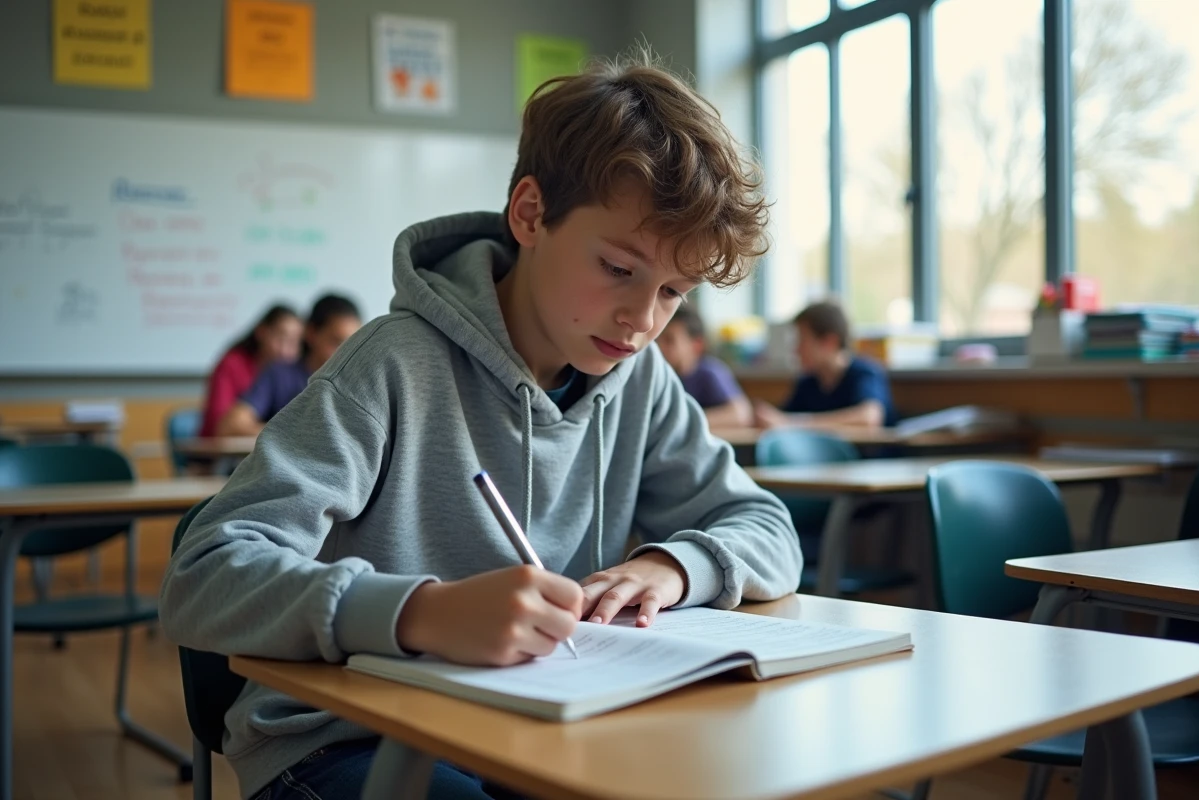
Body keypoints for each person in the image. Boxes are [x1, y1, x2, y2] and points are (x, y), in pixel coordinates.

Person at [161, 51, 801, 800]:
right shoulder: (390, 365)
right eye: (620, 269)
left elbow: (765, 525)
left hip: (530, 726)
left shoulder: (640, 379)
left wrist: (672, 567)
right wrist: (418, 613)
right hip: (343, 741)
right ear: (530, 214)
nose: (642, 320)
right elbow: (201, 576)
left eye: (673, 293)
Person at [216, 294, 362, 436]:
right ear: (311, 333)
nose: (346, 353)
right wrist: (299, 435)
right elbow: (232, 425)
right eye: (336, 342)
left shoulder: (357, 383)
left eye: (353, 345)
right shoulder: (279, 374)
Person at [754, 301, 896, 430]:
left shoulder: (865, 373)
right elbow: (784, 418)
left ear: (829, 342)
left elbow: (868, 419)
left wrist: (795, 423)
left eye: (803, 340)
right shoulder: (808, 383)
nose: (796, 350)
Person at [199, 304, 302, 437]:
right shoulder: (233, 365)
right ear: (261, 332)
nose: (284, 350)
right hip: (222, 450)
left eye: (293, 342)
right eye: (280, 338)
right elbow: (221, 425)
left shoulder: (292, 374)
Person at [657, 305, 752, 427]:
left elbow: (741, 414)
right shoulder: (662, 374)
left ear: (697, 344)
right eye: (657, 340)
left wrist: (682, 422)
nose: (660, 347)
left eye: (669, 340)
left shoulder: (710, 372)